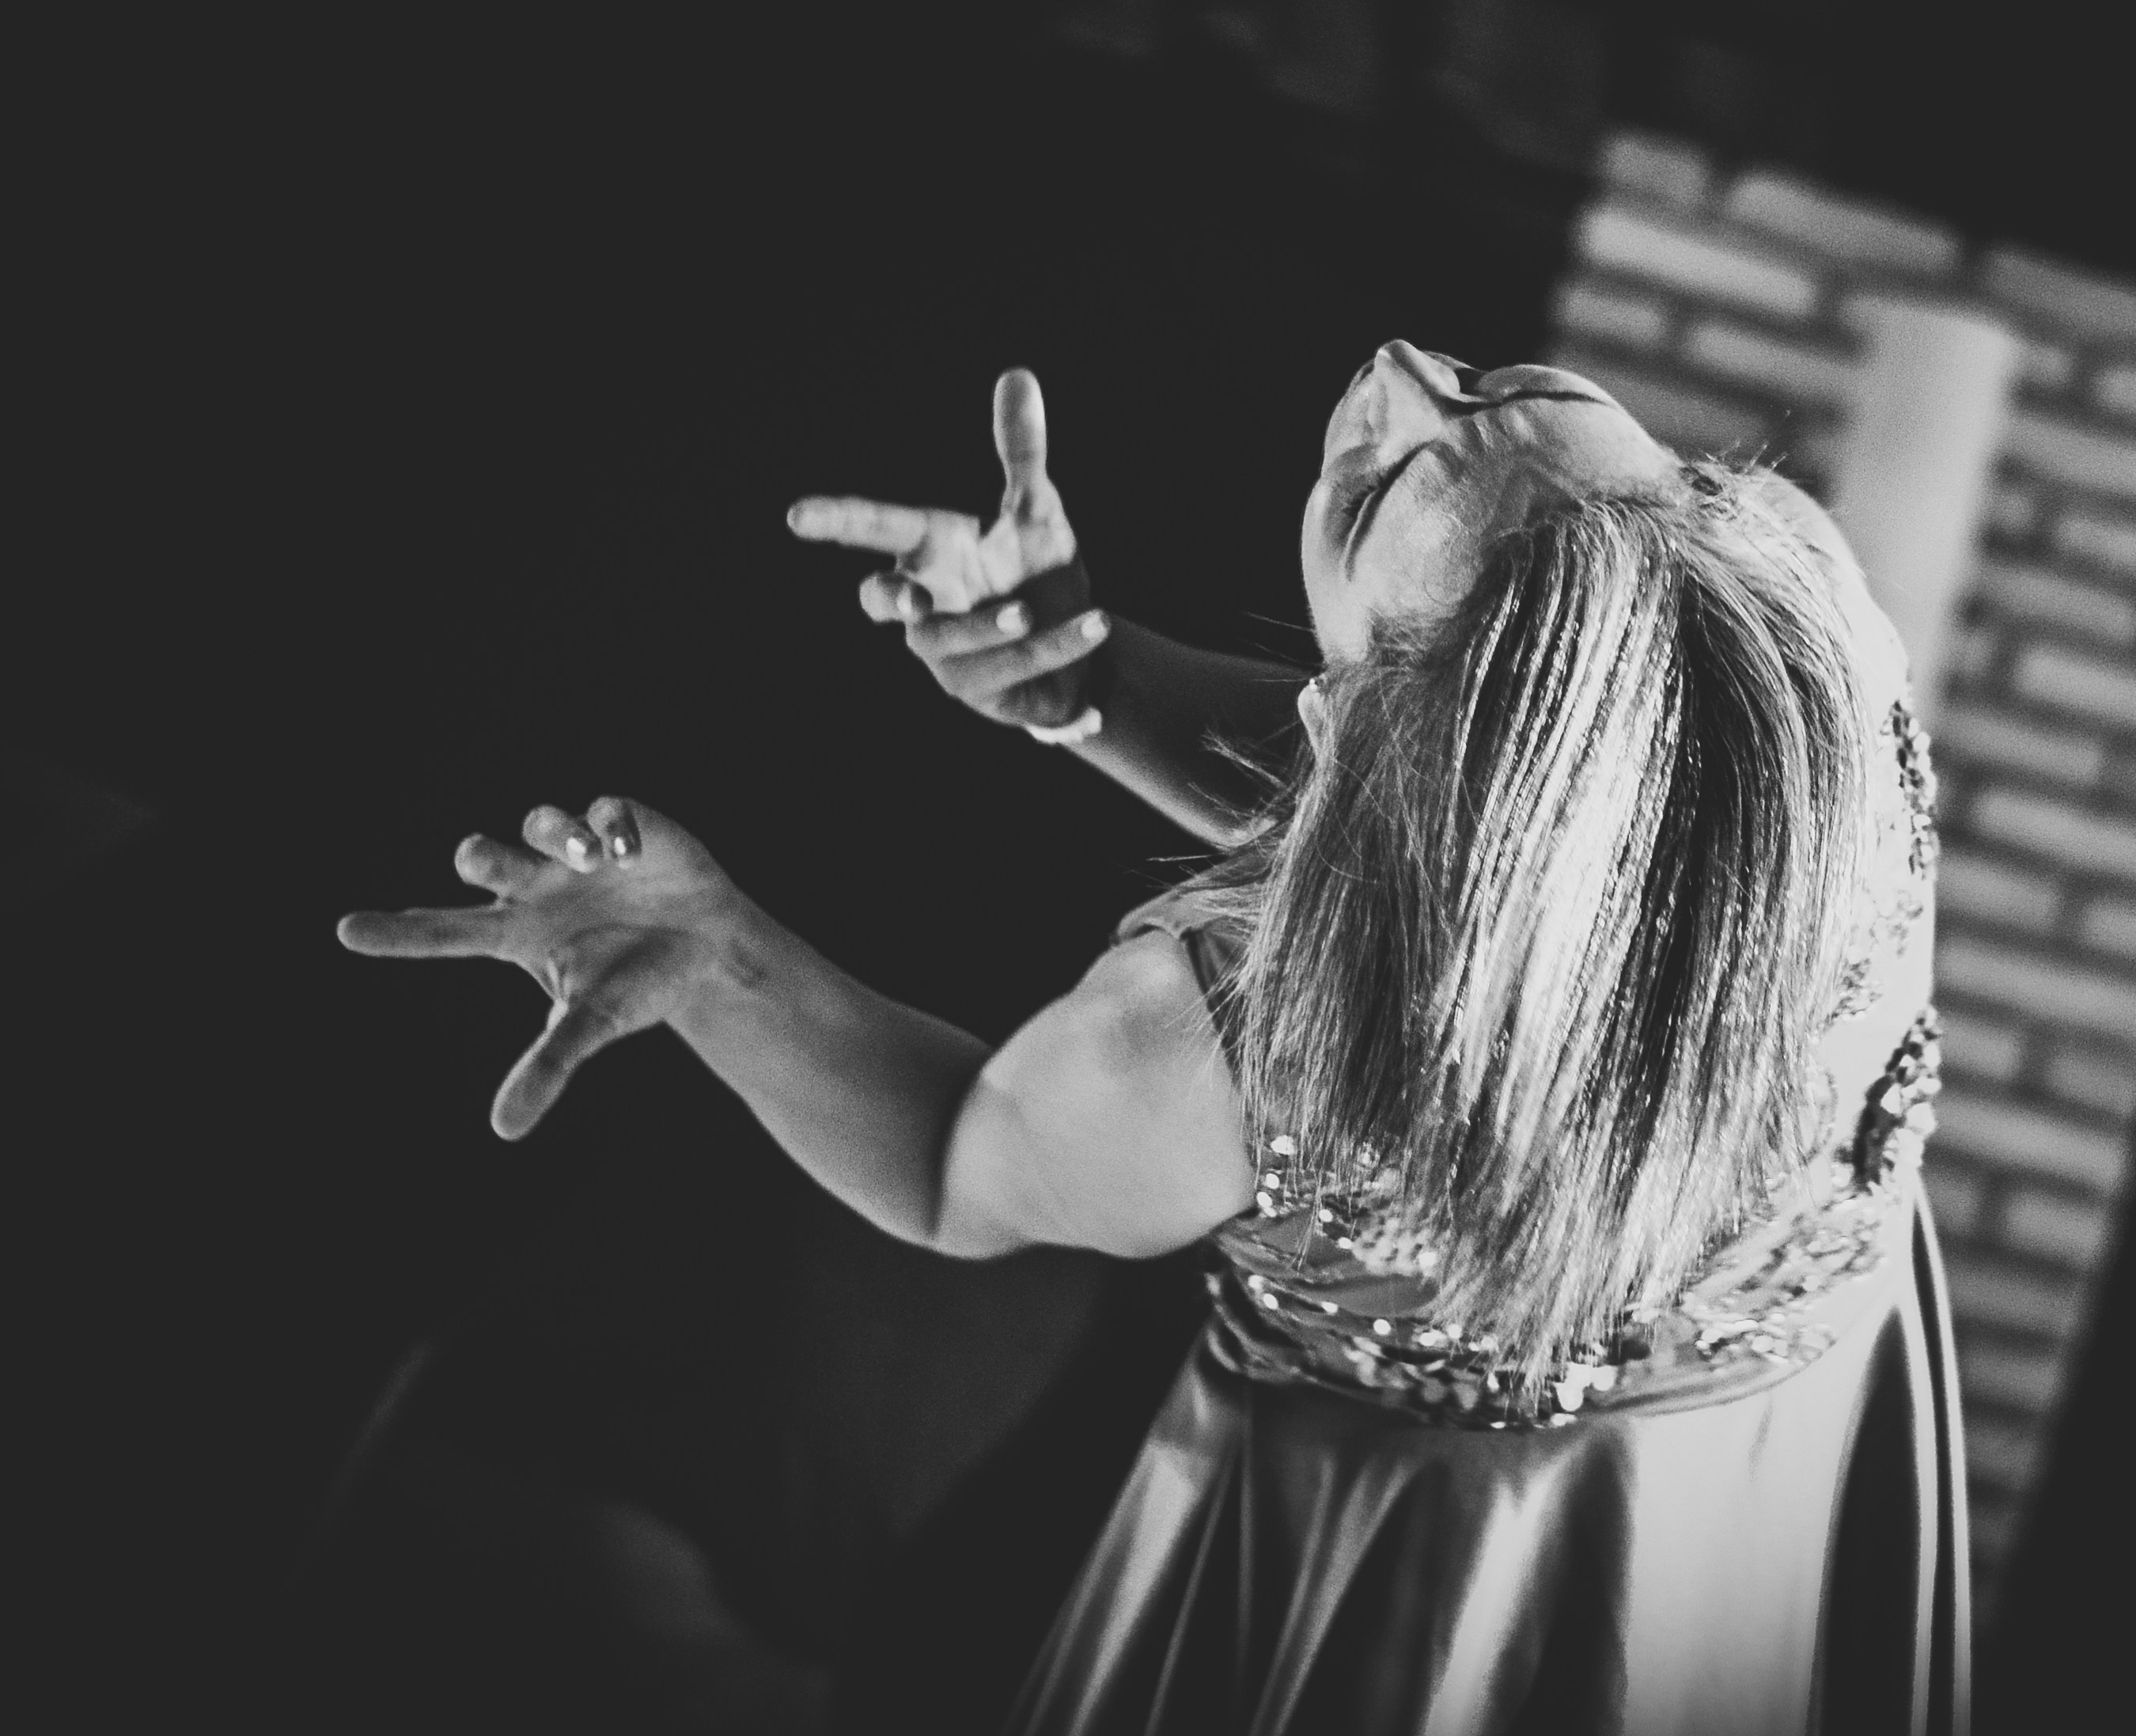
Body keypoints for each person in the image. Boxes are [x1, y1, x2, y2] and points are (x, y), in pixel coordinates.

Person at [341, 342, 1970, 1733]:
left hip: (1375, 1562)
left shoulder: (1221, 1049)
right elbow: (1485, 832)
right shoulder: (1827, 710)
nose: (1396, 363)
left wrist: (707, 955)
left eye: (1369, 491)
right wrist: (1086, 678)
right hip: (1743, 1499)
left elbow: (945, 1173)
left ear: (1354, 731)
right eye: (1482, 378)